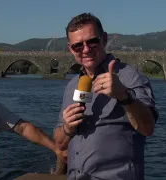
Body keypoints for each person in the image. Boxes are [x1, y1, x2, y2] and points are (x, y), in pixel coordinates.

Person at [53, 13, 159, 180]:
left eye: (92, 42)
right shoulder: (71, 86)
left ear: (104, 39)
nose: (86, 50)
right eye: (78, 46)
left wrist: (124, 96)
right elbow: (59, 143)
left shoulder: (131, 78)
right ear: (70, 48)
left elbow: (148, 128)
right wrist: (67, 128)